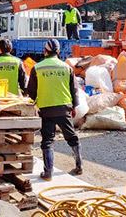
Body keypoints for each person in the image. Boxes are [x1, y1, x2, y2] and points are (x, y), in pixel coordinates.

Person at [27, 39, 82, 181]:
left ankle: (48, 173)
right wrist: (74, 106)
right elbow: (74, 89)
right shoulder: (66, 67)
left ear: (45, 51)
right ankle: (79, 165)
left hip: (46, 109)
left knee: (47, 141)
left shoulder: (37, 68)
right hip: (64, 107)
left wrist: (33, 103)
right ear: (58, 52)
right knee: (71, 137)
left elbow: (31, 91)